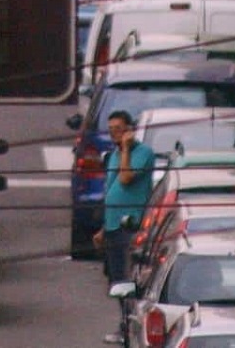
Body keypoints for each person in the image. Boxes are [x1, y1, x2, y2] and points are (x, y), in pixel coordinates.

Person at [92, 110, 155, 345]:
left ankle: (131, 326)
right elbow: (110, 190)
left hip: (129, 225)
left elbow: (126, 178)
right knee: (116, 280)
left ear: (130, 129)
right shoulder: (113, 155)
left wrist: (127, 148)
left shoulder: (142, 153)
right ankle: (124, 323)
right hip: (112, 225)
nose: (114, 135)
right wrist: (103, 228)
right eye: (111, 131)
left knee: (128, 281)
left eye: (119, 129)